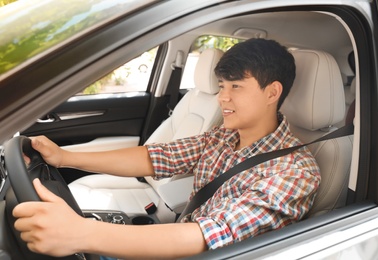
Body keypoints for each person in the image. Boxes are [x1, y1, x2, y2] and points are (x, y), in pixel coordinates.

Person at [12, 38, 320, 259]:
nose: (222, 98)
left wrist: (81, 234)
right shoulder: (221, 138)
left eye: (235, 87)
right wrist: (66, 158)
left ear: (272, 92)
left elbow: (211, 236)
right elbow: (155, 157)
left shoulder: (294, 171)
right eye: (222, 86)